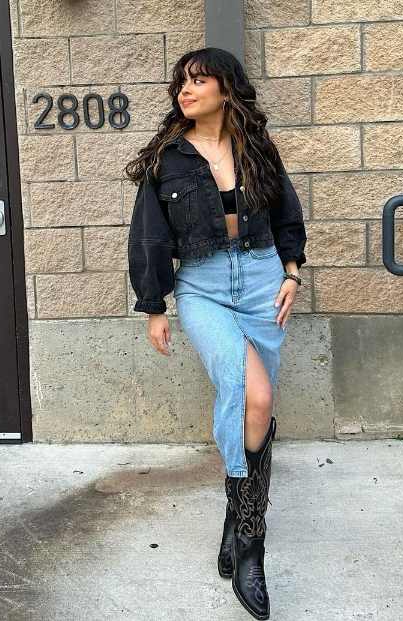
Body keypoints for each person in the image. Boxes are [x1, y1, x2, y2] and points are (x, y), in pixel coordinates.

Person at [124, 47, 307, 620]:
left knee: (258, 407)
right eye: (182, 81)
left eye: (199, 80)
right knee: (248, 392)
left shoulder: (256, 148)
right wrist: (154, 305)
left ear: (226, 90)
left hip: (261, 278)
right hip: (202, 286)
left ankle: (236, 516)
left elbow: (286, 214)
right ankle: (253, 550)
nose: (186, 89)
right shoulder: (167, 158)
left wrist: (293, 273)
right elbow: (149, 235)